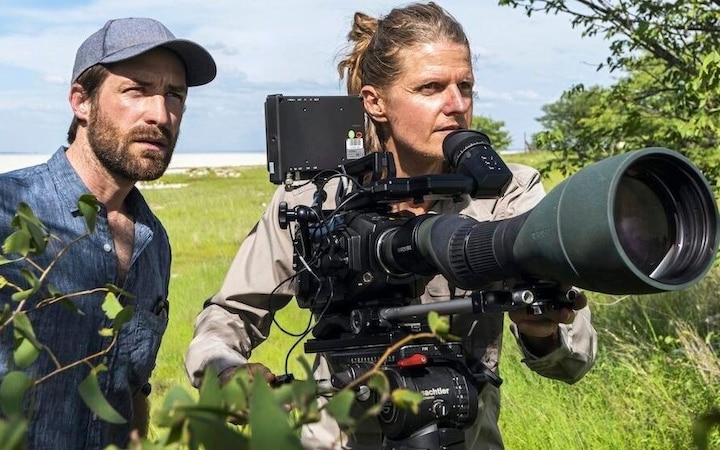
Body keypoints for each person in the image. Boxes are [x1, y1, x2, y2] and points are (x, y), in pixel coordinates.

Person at [185, 2, 596, 449]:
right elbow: (226, 318)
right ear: (375, 101)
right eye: (431, 87)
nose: (456, 105)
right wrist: (226, 371)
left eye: (466, 86)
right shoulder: (313, 196)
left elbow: (573, 362)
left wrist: (544, 332)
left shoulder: (506, 195)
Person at [0, 17, 216, 449]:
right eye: (136, 90)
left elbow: (130, 388)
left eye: (175, 95)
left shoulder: (154, 243)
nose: (161, 114)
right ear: (81, 100)